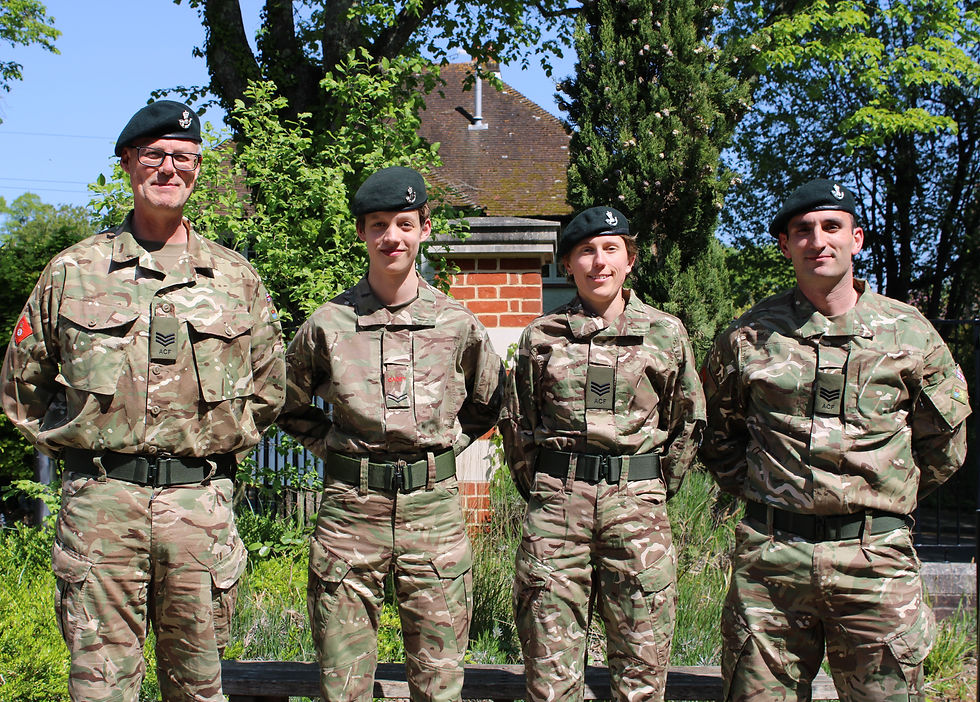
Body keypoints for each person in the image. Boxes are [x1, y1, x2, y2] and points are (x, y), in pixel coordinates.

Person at [0, 100, 286, 701]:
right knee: (100, 688)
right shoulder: (72, 273)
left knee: (199, 686)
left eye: (183, 157)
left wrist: (209, 460)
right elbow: (21, 389)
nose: (168, 168)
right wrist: (82, 449)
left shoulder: (235, 280)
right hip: (101, 508)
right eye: (154, 155)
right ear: (128, 162)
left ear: (199, 167)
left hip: (198, 508)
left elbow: (268, 390)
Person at [700, 178, 972, 701]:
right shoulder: (748, 337)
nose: (817, 240)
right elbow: (718, 437)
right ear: (785, 245)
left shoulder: (908, 332)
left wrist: (886, 497)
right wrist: (773, 496)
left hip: (875, 563)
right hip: (771, 560)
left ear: (857, 239)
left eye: (831, 226)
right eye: (802, 230)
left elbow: (946, 439)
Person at [277, 166, 505, 702]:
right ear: (361, 233)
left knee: (440, 676)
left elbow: (490, 401)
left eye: (404, 223)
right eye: (378, 224)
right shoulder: (329, 323)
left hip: (434, 512)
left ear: (425, 227)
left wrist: (443, 450)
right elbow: (285, 403)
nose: (391, 237)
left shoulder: (457, 323)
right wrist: (331, 448)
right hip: (350, 511)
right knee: (343, 679)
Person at [498, 206, 705, 702]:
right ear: (568, 264)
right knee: (549, 676)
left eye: (611, 249)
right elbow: (518, 424)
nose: (599, 262)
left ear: (629, 259)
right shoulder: (540, 338)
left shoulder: (665, 334)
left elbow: (687, 421)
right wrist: (551, 486)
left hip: (637, 510)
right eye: (585, 251)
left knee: (641, 669)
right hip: (556, 510)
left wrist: (649, 485)